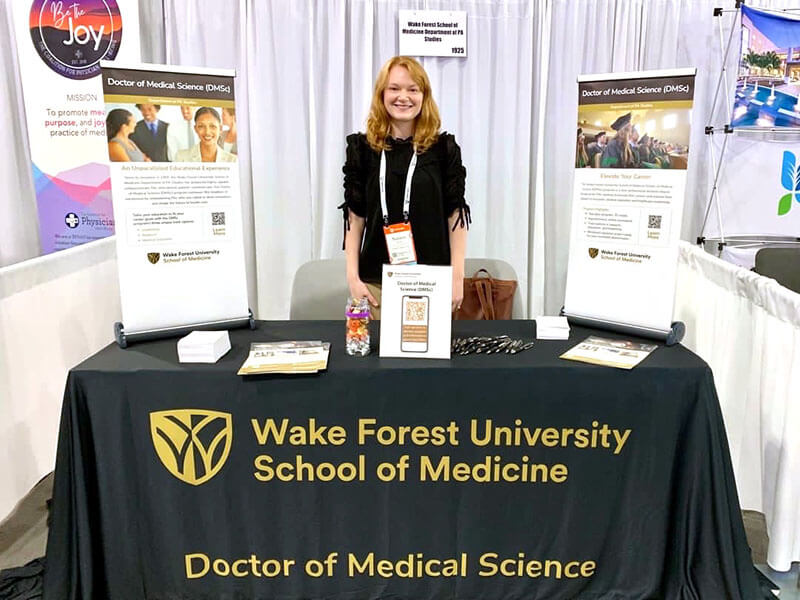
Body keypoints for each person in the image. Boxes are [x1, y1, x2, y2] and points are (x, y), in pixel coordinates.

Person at [341, 56, 469, 317]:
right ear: (382, 94)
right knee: (376, 359)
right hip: (376, 284)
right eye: (395, 88)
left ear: (424, 96)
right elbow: (355, 217)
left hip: (433, 283)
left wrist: (457, 278)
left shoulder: (444, 150)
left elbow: (456, 215)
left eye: (413, 89)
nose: (403, 97)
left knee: (428, 358)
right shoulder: (363, 149)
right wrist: (353, 279)